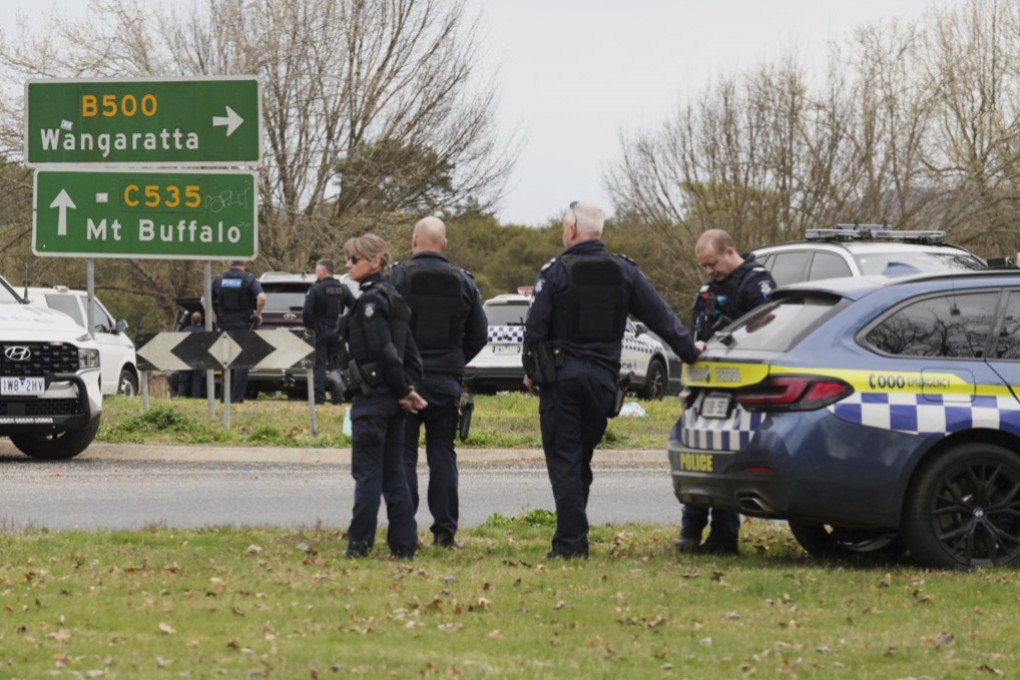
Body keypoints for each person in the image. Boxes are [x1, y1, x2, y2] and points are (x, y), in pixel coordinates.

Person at [523, 201, 701, 560]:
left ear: (572, 230)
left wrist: (531, 371)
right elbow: (660, 317)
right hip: (603, 384)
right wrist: (691, 352)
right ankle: (574, 539)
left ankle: (570, 546)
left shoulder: (556, 271)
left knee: (565, 461)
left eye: (562, 226)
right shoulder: (625, 271)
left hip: (563, 380)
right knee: (580, 459)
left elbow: (535, 328)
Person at [389, 216, 488, 549]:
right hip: (446, 381)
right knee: (442, 454)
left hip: (406, 383)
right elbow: (479, 334)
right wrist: (454, 360)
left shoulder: (398, 277)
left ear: (414, 241)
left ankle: (404, 531)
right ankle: (445, 533)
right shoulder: (463, 282)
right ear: (443, 245)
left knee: (403, 456)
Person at [678, 228, 776, 556]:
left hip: (736, 385)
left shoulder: (756, 282)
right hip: (705, 383)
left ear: (730, 251)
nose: (709, 271)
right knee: (698, 457)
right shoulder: (711, 285)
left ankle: (723, 538)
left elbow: (766, 326)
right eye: (704, 266)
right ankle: (690, 533)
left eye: (712, 264)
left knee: (724, 461)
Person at [337, 234, 428, 560]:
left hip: (374, 399)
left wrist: (405, 390)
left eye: (354, 260)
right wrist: (410, 390)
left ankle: (358, 545)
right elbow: (412, 354)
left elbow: (387, 352)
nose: (348, 265)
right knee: (394, 475)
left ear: (375, 262)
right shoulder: (396, 299)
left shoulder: (371, 304)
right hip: (394, 402)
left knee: (368, 474)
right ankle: (404, 547)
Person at [210, 259, 266, 403]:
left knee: (226, 360)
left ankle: (224, 397)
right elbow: (261, 298)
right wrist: (258, 314)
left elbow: (205, 300)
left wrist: (214, 316)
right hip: (243, 325)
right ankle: (236, 398)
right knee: (241, 362)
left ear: (230, 264)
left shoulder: (219, 279)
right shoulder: (248, 279)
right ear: (244, 264)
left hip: (224, 325)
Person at [302, 259, 347, 405]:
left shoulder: (316, 289)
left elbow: (307, 313)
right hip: (337, 331)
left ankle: (318, 398)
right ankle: (338, 397)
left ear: (323, 271)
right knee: (335, 365)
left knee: (320, 365)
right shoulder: (342, 288)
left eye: (316, 270)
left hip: (322, 331)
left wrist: (314, 327)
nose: (315, 273)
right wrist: (344, 325)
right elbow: (355, 306)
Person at [176, 311, 205, 398]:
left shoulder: (185, 330)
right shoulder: (203, 332)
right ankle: (195, 398)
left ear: (191, 320)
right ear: (201, 321)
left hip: (186, 358)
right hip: (198, 359)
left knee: (183, 380)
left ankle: (180, 396)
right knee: (196, 380)